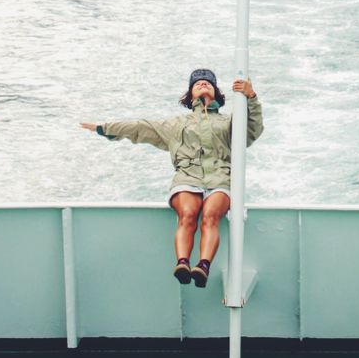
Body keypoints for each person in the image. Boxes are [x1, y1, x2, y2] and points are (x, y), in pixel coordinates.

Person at [80, 68, 262, 287]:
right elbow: (139, 128)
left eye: (208, 83)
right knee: (187, 214)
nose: (203, 85)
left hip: (220, 179)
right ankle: (183, 264)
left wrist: (251, 97)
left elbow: (252, 128)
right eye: (198, 84)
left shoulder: (229, 122)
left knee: (211, 216)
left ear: (217, 92)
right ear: (189, 95)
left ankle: (203, 266)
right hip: (187, 177)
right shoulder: (175, 125)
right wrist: (104, 127)